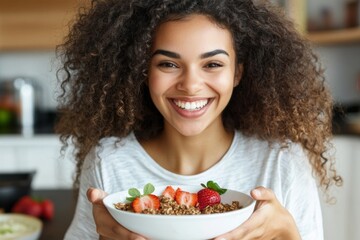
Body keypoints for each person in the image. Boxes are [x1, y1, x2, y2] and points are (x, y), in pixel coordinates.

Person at [55, 0, 342, 239]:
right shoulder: (109, 161)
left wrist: (288, 233)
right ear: (143, 71)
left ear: (237, 73)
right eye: (168, 64)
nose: (191, 85)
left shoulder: (281, 161)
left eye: (213, 64)